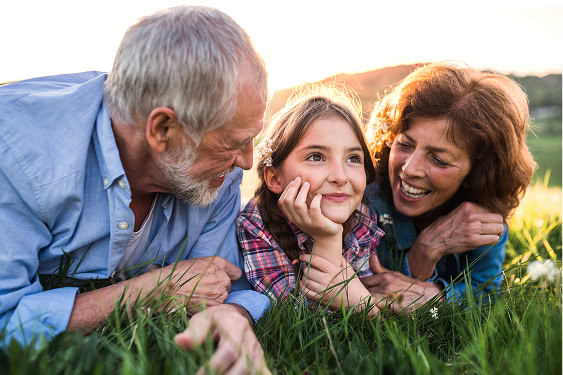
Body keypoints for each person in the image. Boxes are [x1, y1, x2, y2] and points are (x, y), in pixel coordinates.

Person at [0, 6, 270, 373]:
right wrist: (150, 291)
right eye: (233, 144)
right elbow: (5, 322)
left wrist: (234, 315)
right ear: (162, 129)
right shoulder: (17, 158)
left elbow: (219, 286)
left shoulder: (219, 176)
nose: (247, 162)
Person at [359, 63, 536, 311]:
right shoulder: (361, 197)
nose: (409, 169)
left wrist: (437, 294)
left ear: (477, 173)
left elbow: (486, 293)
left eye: (438, 159)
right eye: (405, 145)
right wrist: (421, 257)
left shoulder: (482, 216)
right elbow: (364, 289)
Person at [237, 88, 384, 313]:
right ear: (275, 178)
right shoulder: (256, 226)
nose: (340, 177)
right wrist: (327, 241)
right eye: (316, 157)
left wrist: (363, 300)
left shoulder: (361, 216)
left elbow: (361, 292)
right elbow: (298, 322)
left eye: (353, 158)